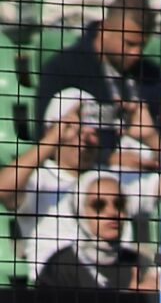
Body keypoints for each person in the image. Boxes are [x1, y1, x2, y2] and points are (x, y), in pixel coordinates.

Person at [1, 91, 118, 271]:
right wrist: (53, 138)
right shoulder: (38, 179)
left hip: (111, 284)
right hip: (55, 289)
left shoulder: (108, 178)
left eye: (92, 130)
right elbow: (4, 188)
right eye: (75, 128)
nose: (86, 138)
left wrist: (148, 136)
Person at [33, 0, 161, 142]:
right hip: (85, 164)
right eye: (129, 44)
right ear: (105, 29)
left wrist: (152, 138)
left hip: (149, 163)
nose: (136, 53)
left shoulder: (153, 77)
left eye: (142, 45)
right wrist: (109, 159)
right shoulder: (64, 68)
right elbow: (43, 139)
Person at [35, 171, 154, 291]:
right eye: (98, 205)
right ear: (80, 211)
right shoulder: (60, 267)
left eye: (119, 204)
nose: (112, 212)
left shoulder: (140, 263)